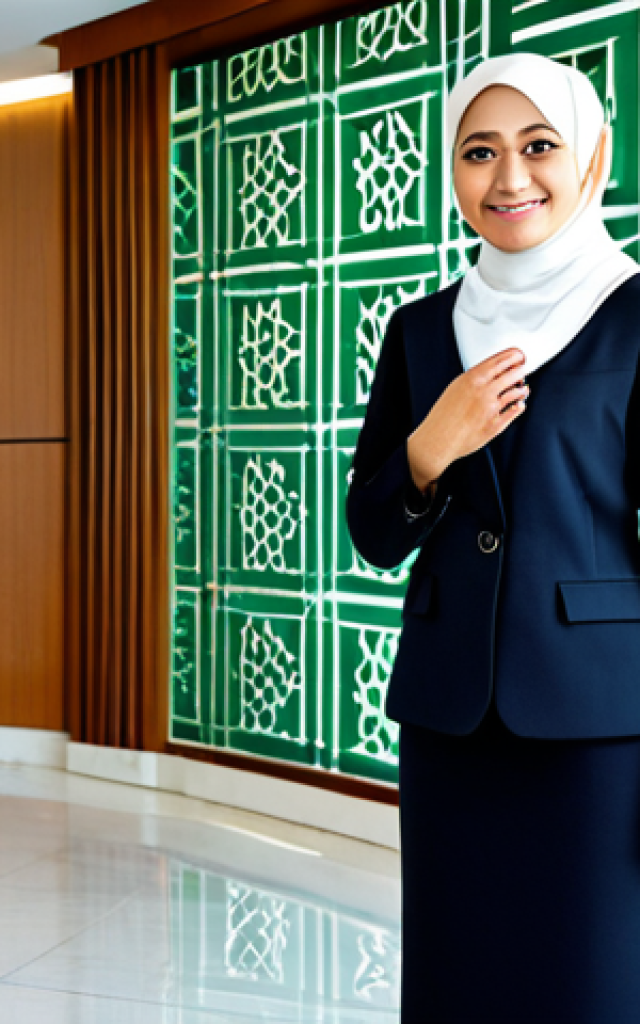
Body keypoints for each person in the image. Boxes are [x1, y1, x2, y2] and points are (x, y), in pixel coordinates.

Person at [345, 53, 640, 1023]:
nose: (508, 178)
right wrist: (430, 449)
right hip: (447, 711)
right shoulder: (421, 331)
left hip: (596, 720)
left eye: (538, 146)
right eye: (479, 152)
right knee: (455, 968)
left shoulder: (633, 315)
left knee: (588, 976)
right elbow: (372, 531)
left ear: (592, 159)